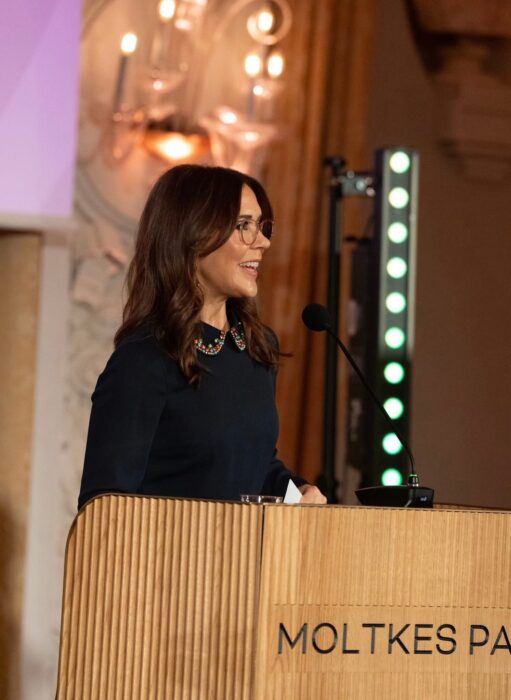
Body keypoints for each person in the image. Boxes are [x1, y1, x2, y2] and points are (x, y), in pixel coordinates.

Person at [78, 165, 326, 509]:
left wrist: (299, 491)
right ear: (193, 236)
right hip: (167, 546)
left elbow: (253, 464)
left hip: (246, 546)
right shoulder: (145, 359)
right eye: (243, 226)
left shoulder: (257, 347)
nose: (263, 241)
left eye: (261, 226)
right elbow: (103, 506)